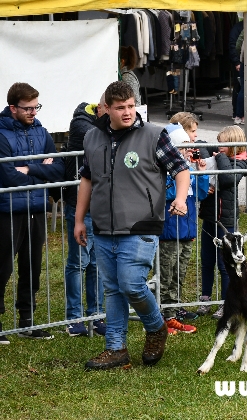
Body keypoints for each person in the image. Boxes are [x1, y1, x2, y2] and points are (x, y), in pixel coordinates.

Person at [76, 81, 190, 370]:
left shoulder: (154, 135)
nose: (127, 112)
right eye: (120, 108)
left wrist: (180, 198)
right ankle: (116, 348)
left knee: (131, 284)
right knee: (113, 289)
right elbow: (87, 180)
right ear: (106, 110)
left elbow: (180, 168)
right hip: (103, 226)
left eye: (130, 106)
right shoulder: (91, 138)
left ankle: (156, 327)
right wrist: (79, 220)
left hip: (141, 224)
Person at [0, 83, 64, 341]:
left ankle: (27, 320)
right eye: (27, 108)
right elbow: (6, 176)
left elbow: (58, 169)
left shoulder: (42, 132)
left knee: (32, 267)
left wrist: (29, 169)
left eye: (36, 107)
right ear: (13, 108)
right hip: (7, 211)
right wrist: (39, 170)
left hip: (36, 209)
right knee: (2, 266)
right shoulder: (1, 134)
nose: (33, 112)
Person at [63, 96, 108, 337]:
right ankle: (74, 318)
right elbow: (105, 139)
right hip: (80, 204)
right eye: (113, 110)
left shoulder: (99, 122)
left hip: (101, 207)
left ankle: (96, 315)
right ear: (102, 108)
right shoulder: (82, 124)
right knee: (78, 262)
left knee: (97, 265)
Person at [158, 124, 209, 334]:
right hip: (170, 229)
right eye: (183, 146)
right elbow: (169, 194)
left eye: (189, 145)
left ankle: (175, 310)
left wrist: (200, 172)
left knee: (180, 272)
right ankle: (162, 314)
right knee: (165, 273)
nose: (188, 149)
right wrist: (181, 174)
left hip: (187, 229)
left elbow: (202, 193)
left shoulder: (187, 167)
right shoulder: (167, 169)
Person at [197, 125, 247, 319]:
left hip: (226, 221)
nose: (219, 148)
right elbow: (201, 145)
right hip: (209, 217)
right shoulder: (220, 155)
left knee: (224, 263)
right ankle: (205, 298)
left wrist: (218, 156)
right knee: (207, 259)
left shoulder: (242, 163)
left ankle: (227, 302)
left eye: (223, 145)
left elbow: (227, 178)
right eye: (218, 144)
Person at [229, 10, 247, 119]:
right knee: (239, 88)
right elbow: (232, 45)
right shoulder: (238, 28)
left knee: (246, 88)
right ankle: (236, 113)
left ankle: (243, 113)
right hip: (240, 63)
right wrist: (236, 62)